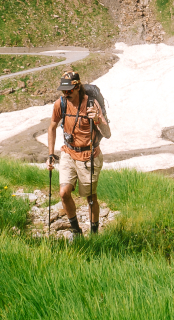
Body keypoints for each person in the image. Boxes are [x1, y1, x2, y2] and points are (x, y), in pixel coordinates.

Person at [46, 70, 111, 235]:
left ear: (77, 87)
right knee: (64, 193)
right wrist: (50, 154)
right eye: (63, 91)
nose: (66, 94)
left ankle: (94, 234)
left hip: (89, 156)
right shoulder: (59, 104)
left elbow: (107, 133)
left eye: (69, 90)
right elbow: (52, 127)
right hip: (68, 152)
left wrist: (97, 119)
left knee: (90, 199)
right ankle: (76, 231)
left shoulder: (91, 104)